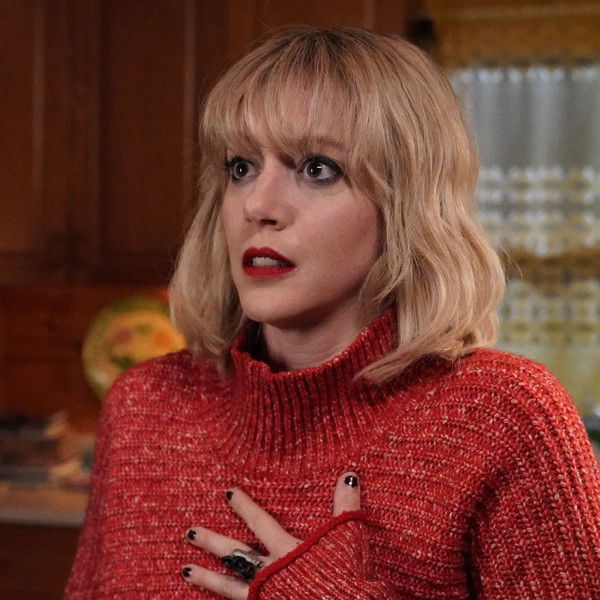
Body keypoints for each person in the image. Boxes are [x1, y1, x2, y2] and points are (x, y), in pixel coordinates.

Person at [64, 26, 600, 600]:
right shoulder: (144, 407)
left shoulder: (504, 419)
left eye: (317, 168)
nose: (259, 205)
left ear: (405, 205)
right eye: (241, 167)